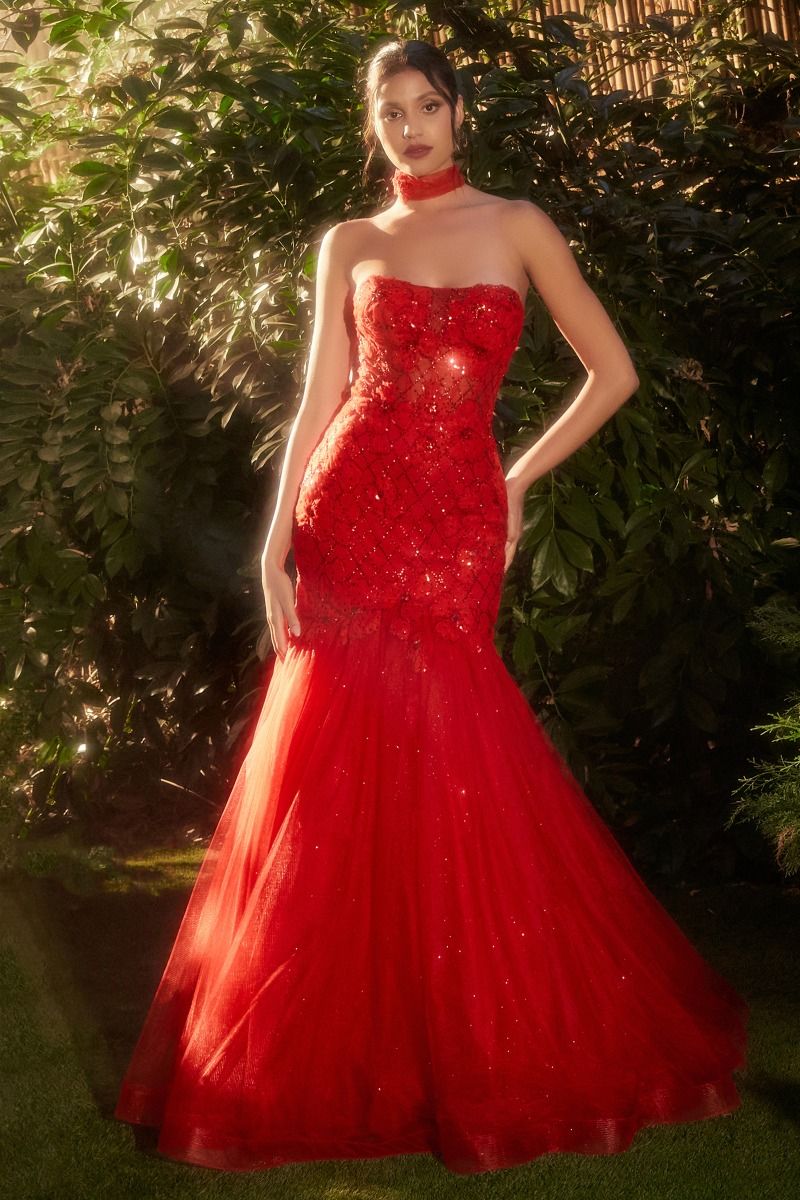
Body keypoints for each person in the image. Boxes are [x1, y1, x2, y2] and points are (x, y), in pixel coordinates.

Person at [113, 37, 749, 1175]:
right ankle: (337, 1044)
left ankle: (467, 1037)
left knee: (454, 748)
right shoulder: (351, 243)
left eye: (426, 105)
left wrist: (510, 479)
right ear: (374, 125)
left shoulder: (517, 225)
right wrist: (273, 548)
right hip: (346, 510)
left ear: (459, 113)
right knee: (332, 754)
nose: (408, 126)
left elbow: (612, 372)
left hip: (456, 519)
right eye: (389, 111)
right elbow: (321, 393)